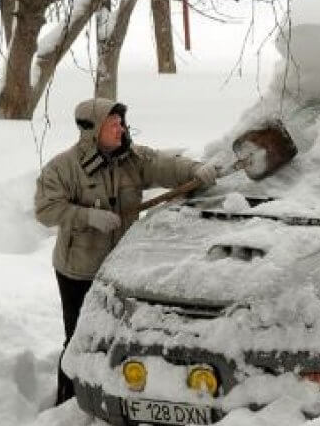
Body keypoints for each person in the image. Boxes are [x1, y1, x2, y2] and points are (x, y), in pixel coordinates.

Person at [34, 97, 217, 406]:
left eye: (121, 123)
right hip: (80, 269)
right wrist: (88, 216)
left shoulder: (132, 159)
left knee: (121, 336)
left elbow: (165, 165)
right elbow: (46, 209)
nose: (121, 129)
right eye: (113, 124)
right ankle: (67, 401)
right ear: (92, 131)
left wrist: (198, 170)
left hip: (122, 269)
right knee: (80, 336)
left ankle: (116, 394)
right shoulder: (64, 168)